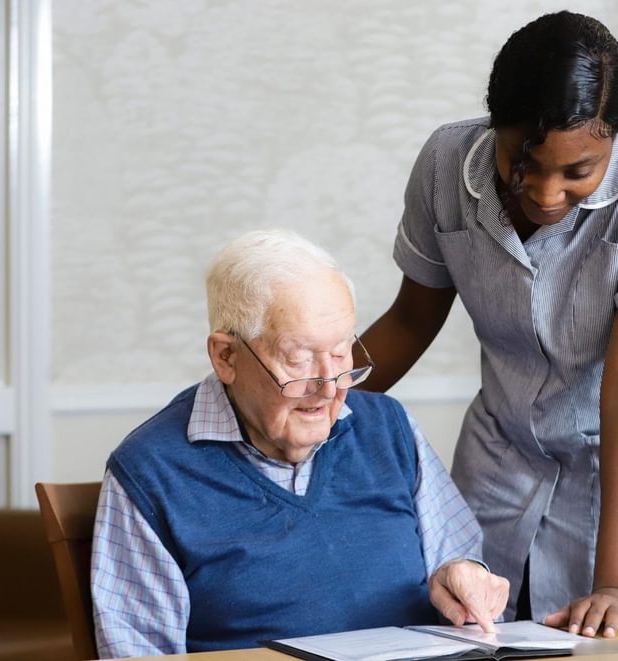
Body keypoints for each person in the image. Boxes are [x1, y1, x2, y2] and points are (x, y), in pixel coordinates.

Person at [359, 11, 618, 638]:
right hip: (502, 480)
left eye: (578, 172)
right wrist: (306, 396)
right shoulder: (444, 164)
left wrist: (616, 584)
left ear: (616, 139)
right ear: (497, 131)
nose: (544, 194)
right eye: (524, 163)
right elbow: (409, 320)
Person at [91, 229, 509, 658]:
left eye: (343, 352)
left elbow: (457, 562)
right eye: (299, 359)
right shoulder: (151, 471)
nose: (329, 389)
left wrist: (465, 576)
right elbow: (136, 653)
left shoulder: (389, 429)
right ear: (226, 357)